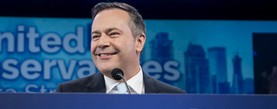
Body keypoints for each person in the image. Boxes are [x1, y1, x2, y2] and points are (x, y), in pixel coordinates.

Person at [56, 2, 185, 94]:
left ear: (139, 42)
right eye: (96, 36)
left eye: (113, 34)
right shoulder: (68, 94)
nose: (101, 43)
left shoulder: (173, 97)